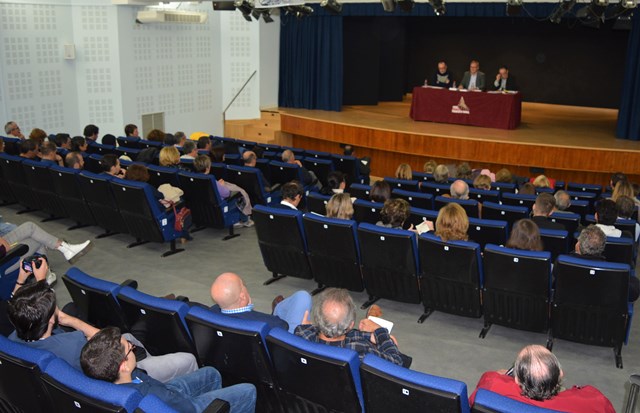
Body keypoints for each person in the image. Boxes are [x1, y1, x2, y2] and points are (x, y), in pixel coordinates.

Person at [9, 281, 200, 382]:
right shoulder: (72, 344)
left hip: (92, 373)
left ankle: (147, 356)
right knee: (187, 359)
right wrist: (72, 320)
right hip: (120, 376)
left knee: (130, 337)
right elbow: (107, 341)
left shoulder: (14, 338)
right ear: (50, 319)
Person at [81, 326, 256, 413]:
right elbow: (186, 407)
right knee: (248, 390)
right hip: (180, 405)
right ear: (123, 365)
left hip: (167, 392)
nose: (133, 347)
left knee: (211, 373)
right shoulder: (148, 397)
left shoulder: (117, 376)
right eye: (130, 348)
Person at [469, 344, 615, 413]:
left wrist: (503, 376)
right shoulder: (594, 402)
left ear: (517, 380)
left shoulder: (491, 386)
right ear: (560, 374)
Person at [294, 288, 404, 365]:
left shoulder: (302, 334)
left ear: (317, 320)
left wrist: (367, 335)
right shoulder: (359, 350)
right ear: (351, 325)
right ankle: (371, 319)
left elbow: (311, 329)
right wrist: (380, 331)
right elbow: (396, 362)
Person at [210, 272, 312, 334]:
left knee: (300, 297)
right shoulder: (270, 323)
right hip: (285, 341)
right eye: (243, 284)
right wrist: (306, 329)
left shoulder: (210, 313)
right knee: (303, 297)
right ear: (243, 296)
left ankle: (276, 311)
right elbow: (284, 327)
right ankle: (276, 313)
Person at [0, 221, 92, 282]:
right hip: (4, 264)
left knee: (30, 227)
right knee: (38, 239)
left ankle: (65, 249)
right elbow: (4, 248)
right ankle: (45, 275)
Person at [571, 225, 639, 301]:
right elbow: (633, 293)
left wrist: (575, 253)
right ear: (602, 248)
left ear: (578, 245)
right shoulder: (615, 273)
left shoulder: (564, 264)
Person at [193, 155, 253, 227]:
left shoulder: (194, 178)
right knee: (241, 194)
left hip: (204, 208)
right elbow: (226, 194)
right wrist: (221, 185)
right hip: (219, 207)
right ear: (208, 168)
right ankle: (245, 220)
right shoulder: (211, 181)